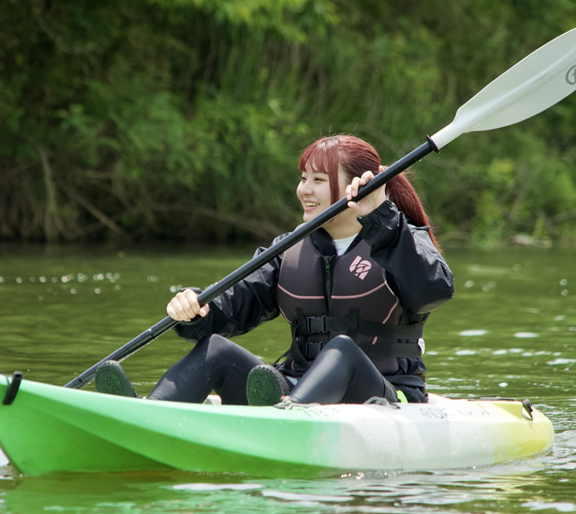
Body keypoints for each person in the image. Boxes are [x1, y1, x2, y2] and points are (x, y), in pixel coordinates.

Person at [94, 134, 454, 406]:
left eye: (318, 180)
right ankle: (151, 414)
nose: (304, 190)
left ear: (360, 185)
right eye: (303, 178)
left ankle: (286, 422)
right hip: (294, 389)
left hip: (385, 398)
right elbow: (235, 304)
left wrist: (383, 219)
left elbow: (434, 289)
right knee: (215, 349)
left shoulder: (401, 238)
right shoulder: (290, 249)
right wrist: (197, 309)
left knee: (342, 350)